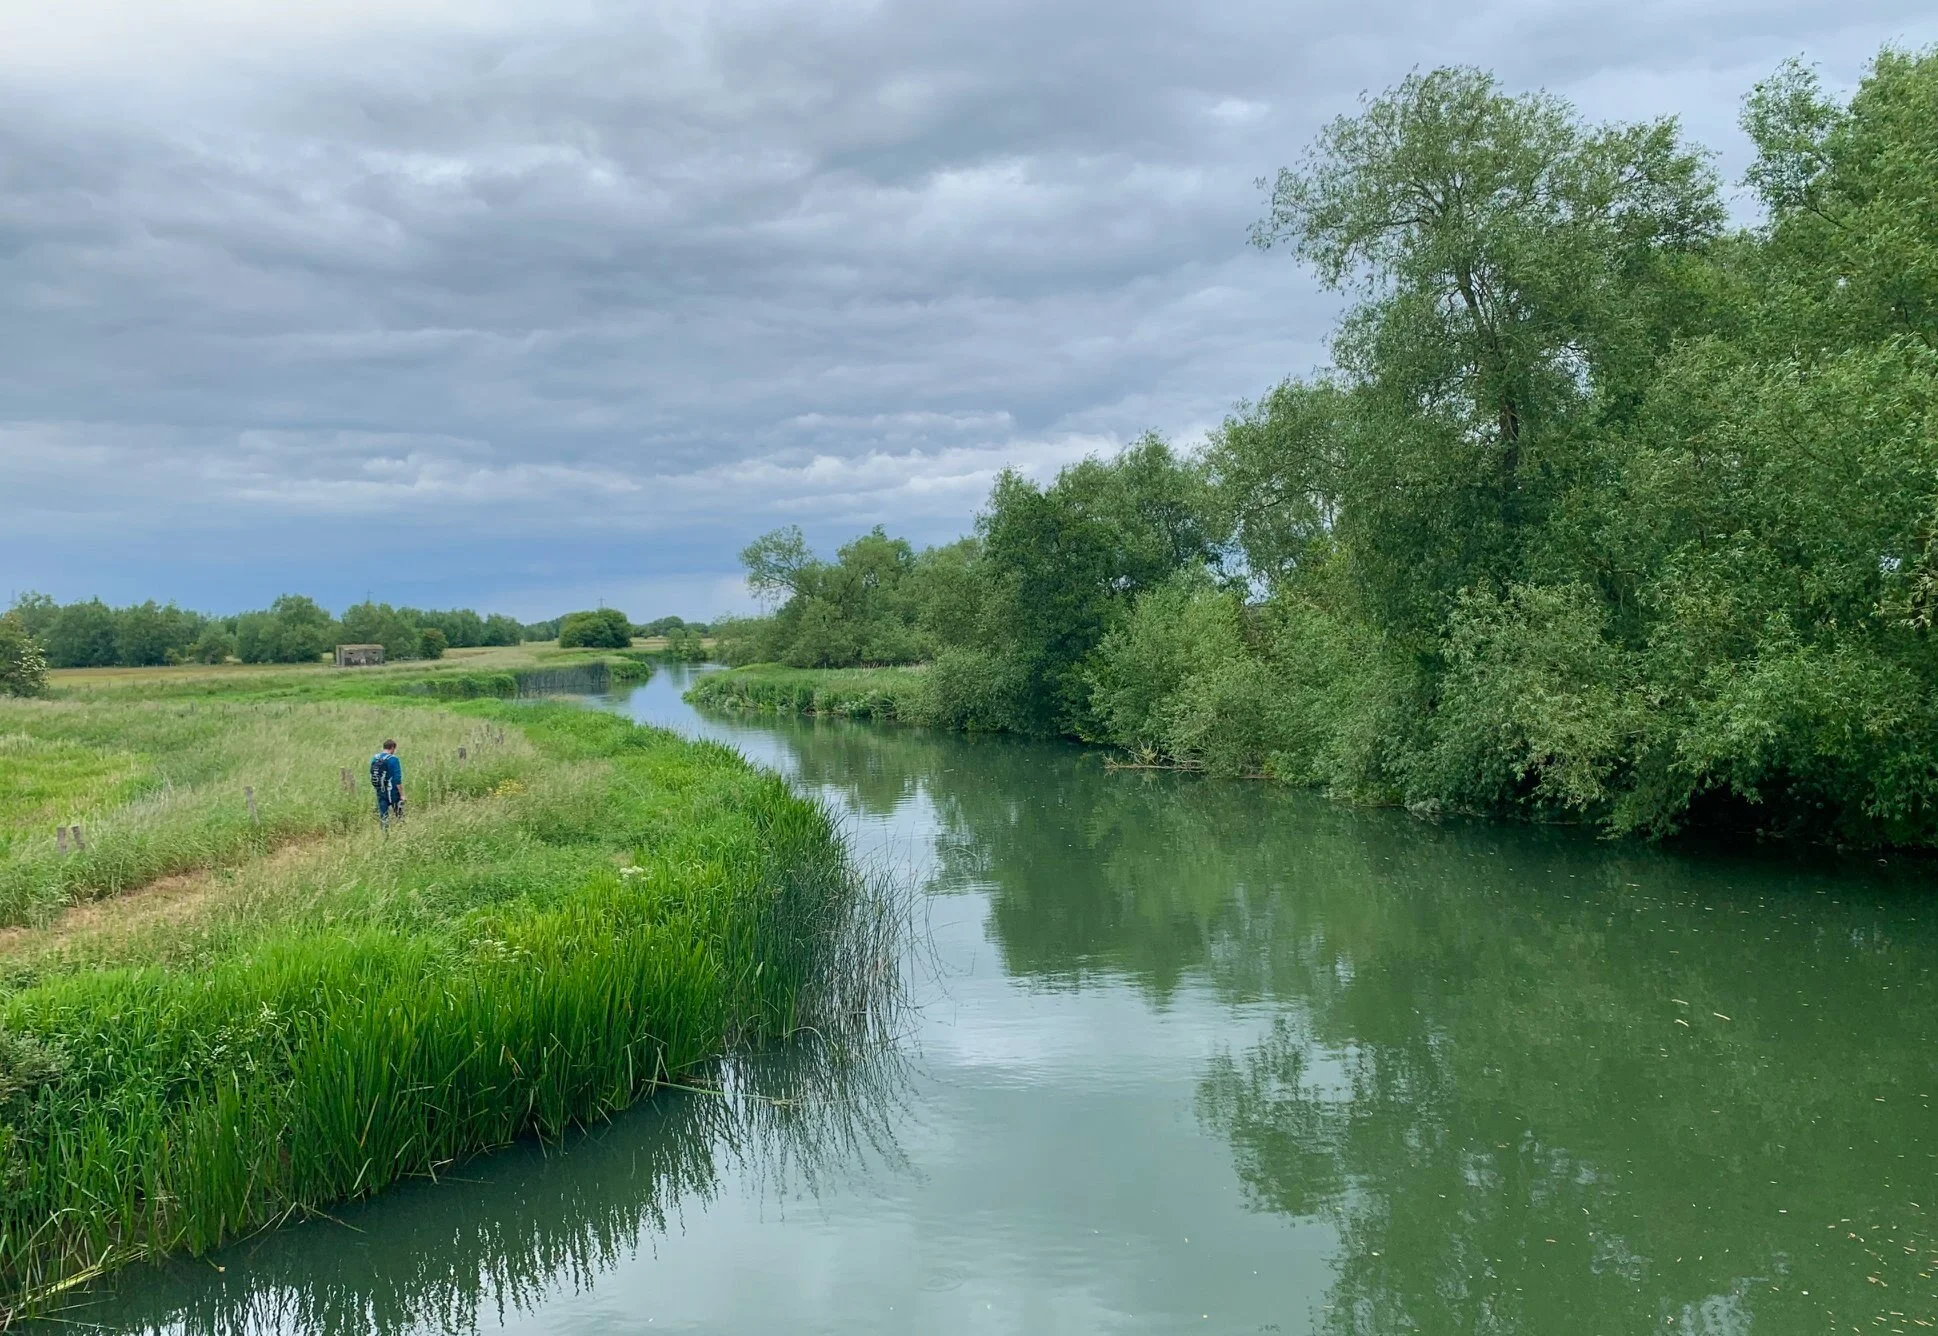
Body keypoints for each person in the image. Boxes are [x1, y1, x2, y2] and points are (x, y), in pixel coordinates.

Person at [369, 738, 404, 829]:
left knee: (383, 815)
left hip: (380, 789)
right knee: (399, 813)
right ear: (392, 748)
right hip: (392, 791)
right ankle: (401, 830)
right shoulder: (393, 759)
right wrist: (402, 794)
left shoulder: (375, 758)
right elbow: (397, 779)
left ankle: (385, 834)